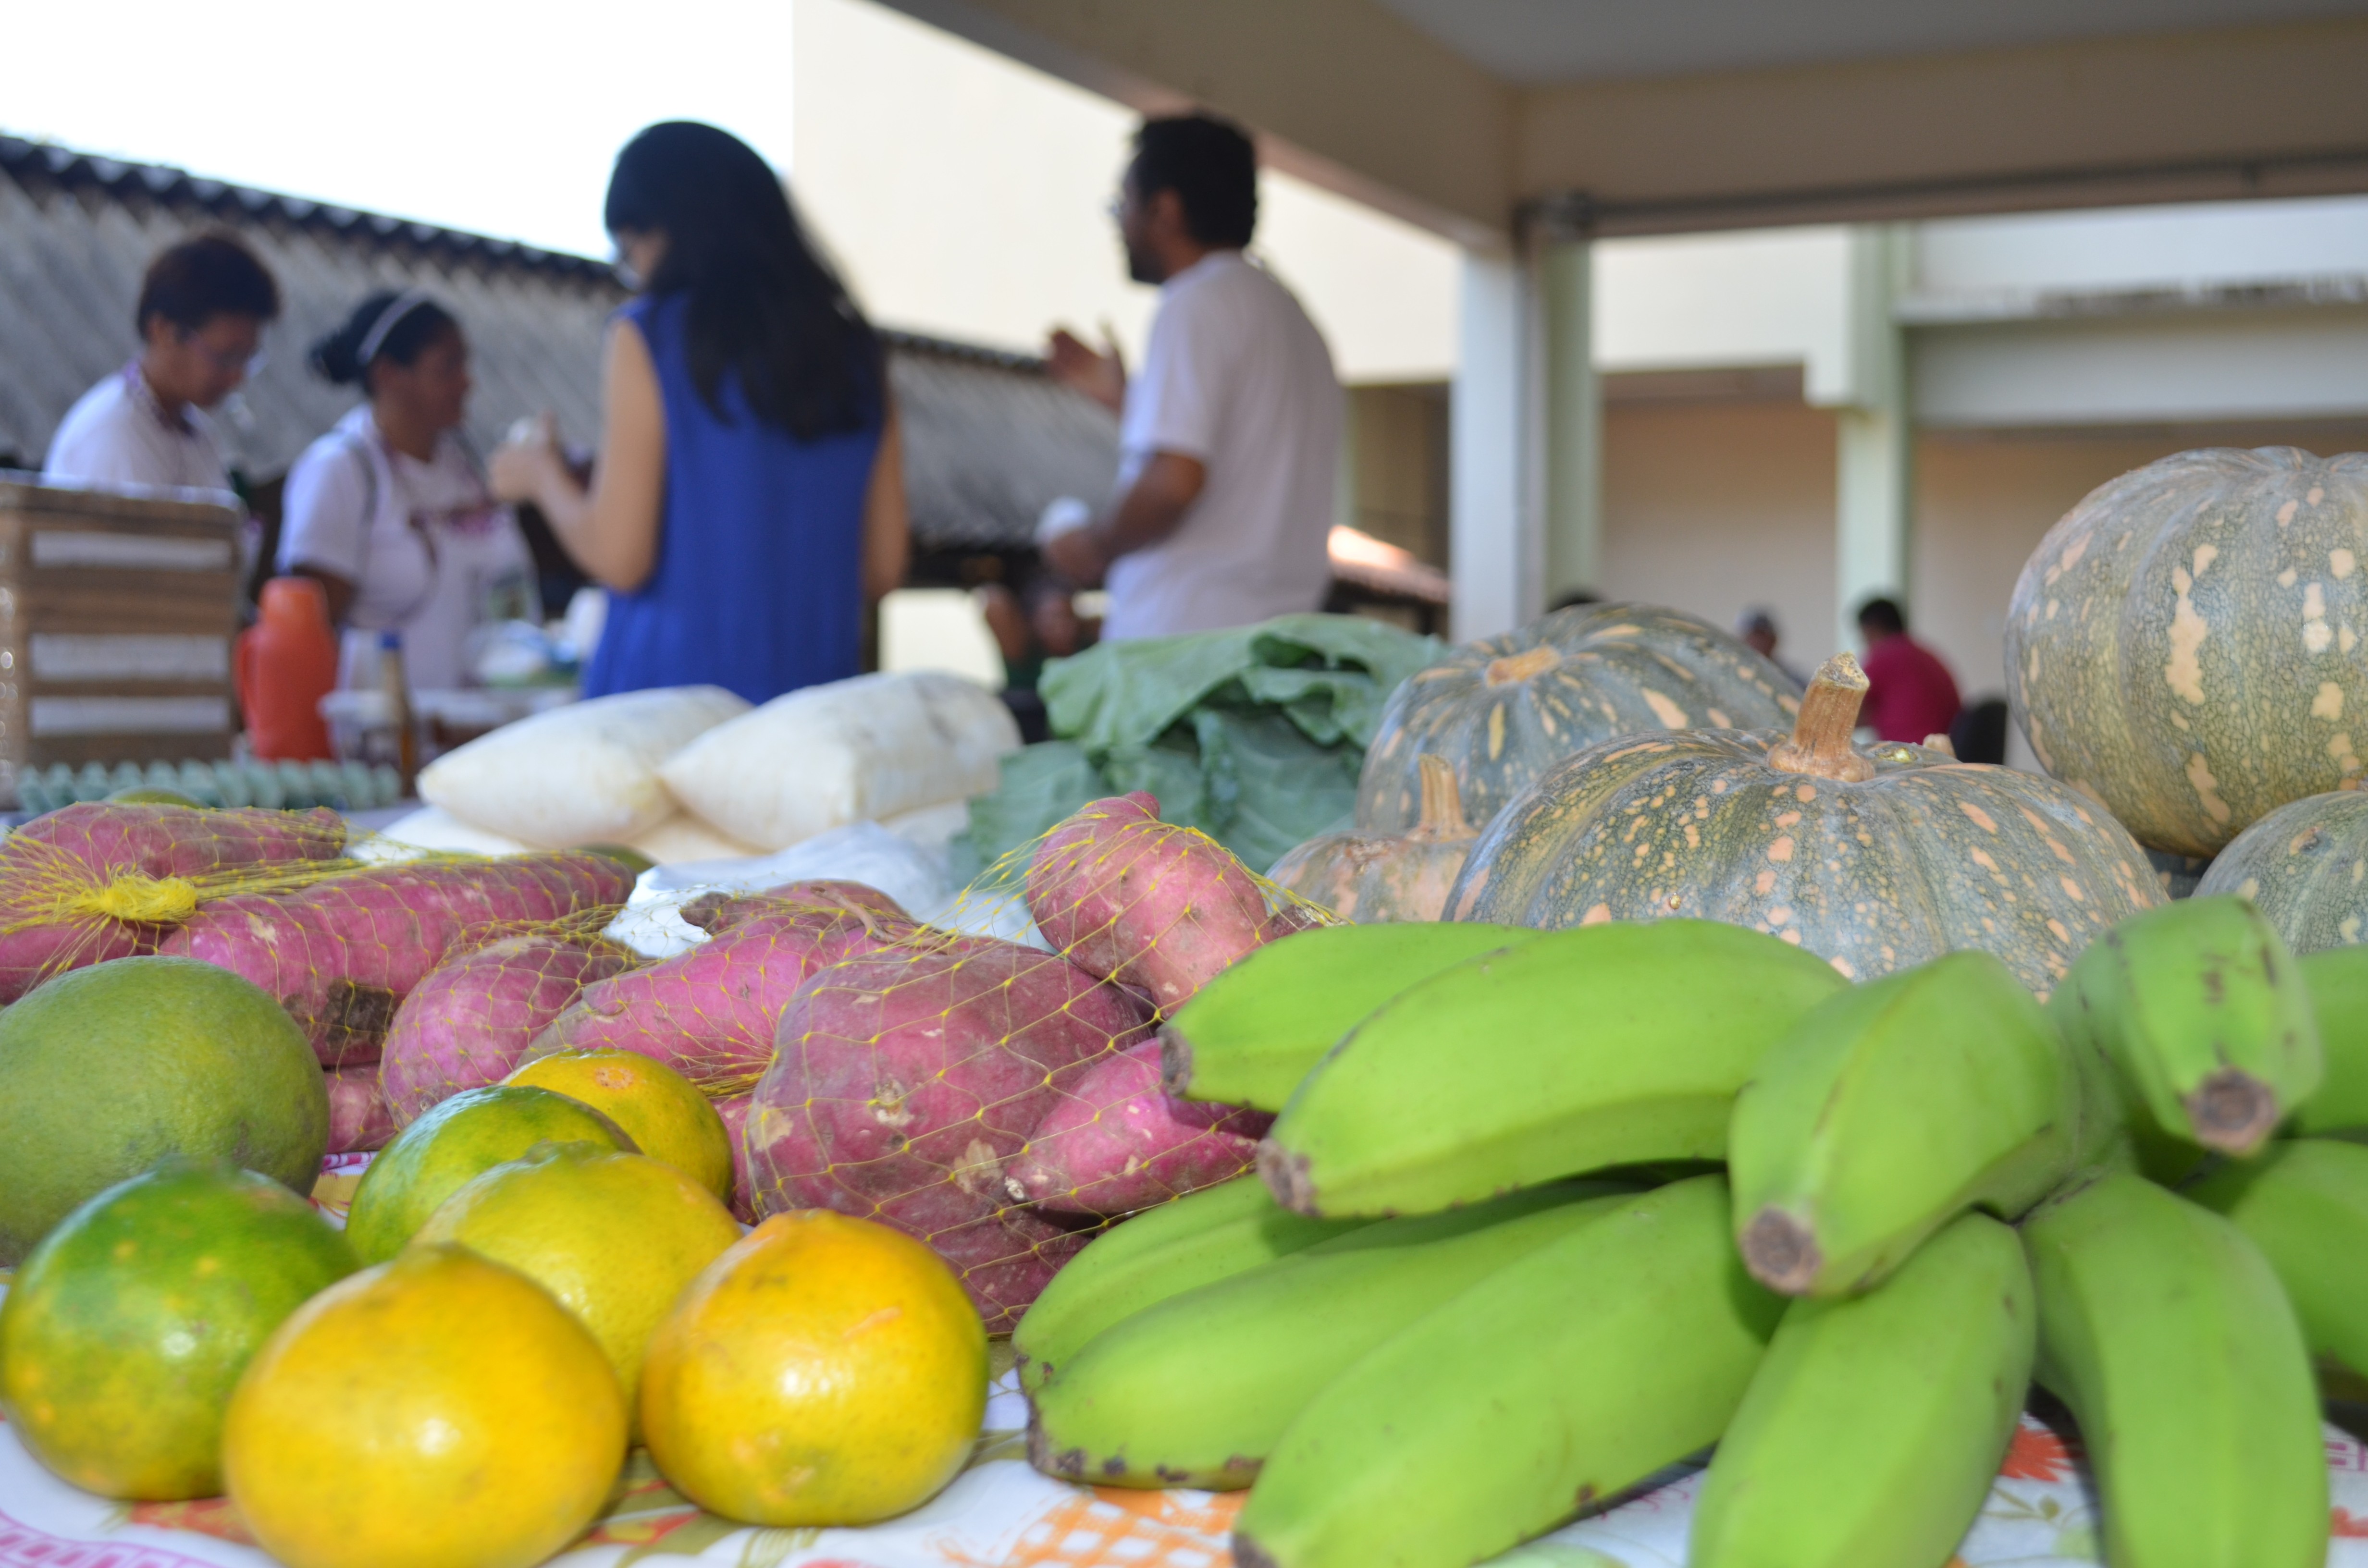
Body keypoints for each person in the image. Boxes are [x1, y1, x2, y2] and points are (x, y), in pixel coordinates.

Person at [490, 121, 909, 704]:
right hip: (809, 720)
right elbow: (881, 569)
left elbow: (620, 556)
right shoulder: (858, 355)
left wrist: (541, 475)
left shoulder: (651, 334)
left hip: (663, 717)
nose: (633, 270)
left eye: (629, 248)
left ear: (669, 229)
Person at [1040, 113, 1344, 640]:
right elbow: (1244, 466)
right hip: (1272, 645)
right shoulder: (1296, 321)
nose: (1118, 224)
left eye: (1122, 205)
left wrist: (1094, 549)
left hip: (1182, 653)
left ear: (1164, 210)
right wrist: (1129, 404)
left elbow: (1174, 483)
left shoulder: (1195, 303)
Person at [277, 292, 534, 690]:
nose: (467, 382)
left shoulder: (462, 465)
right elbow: (307, 633)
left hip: (477, 728)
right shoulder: (340, 470)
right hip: (383, 737)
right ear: (388, 374)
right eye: (449, 367)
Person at [44, 233, 280, 493]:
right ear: (163, 331)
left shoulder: (197, 435)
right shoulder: (111, 432)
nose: (237, 376)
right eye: (226, 357)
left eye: (247, 359)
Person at [1855, 596, 1961, 744]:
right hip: (1944, 750)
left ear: (1872, 629)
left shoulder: (1885, 655)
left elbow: (1849, 715)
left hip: (1910, 756)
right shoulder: (1923, 654)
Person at [1737, 607, 1806, 686]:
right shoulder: (1733, 674)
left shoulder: (1792, 680)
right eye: (1753, 637)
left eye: (1763, 636)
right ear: (1740, 640)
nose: (1759, 642)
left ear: (1774, 640)